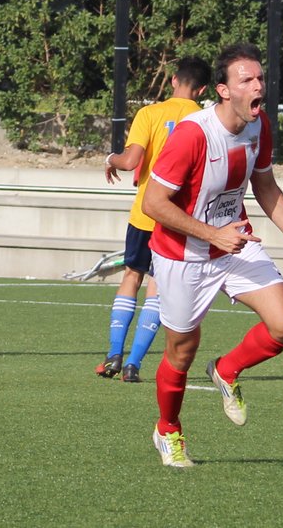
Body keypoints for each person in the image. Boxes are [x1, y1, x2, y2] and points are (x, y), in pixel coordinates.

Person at [142, 43, 283, 468]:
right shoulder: (193, 134)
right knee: (181, 353)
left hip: (235, 243)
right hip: (183, 255)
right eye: (247, 80)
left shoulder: (258, 123)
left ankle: (227, 370)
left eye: (260, 78)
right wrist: (212, 234)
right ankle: (168, 431)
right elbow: (153, 203)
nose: (258, 86)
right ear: (224, 91)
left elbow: (265, 186)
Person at [96, 57, 212, 383]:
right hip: (179, 219)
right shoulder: (207, 120)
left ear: (173, 80)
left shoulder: (149, 114)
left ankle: (114, 354)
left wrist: (110, 158)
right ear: (203, 89)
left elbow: (130, 160)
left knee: (131, 276)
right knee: (157, 286)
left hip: (146, 214)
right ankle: (133, 364)